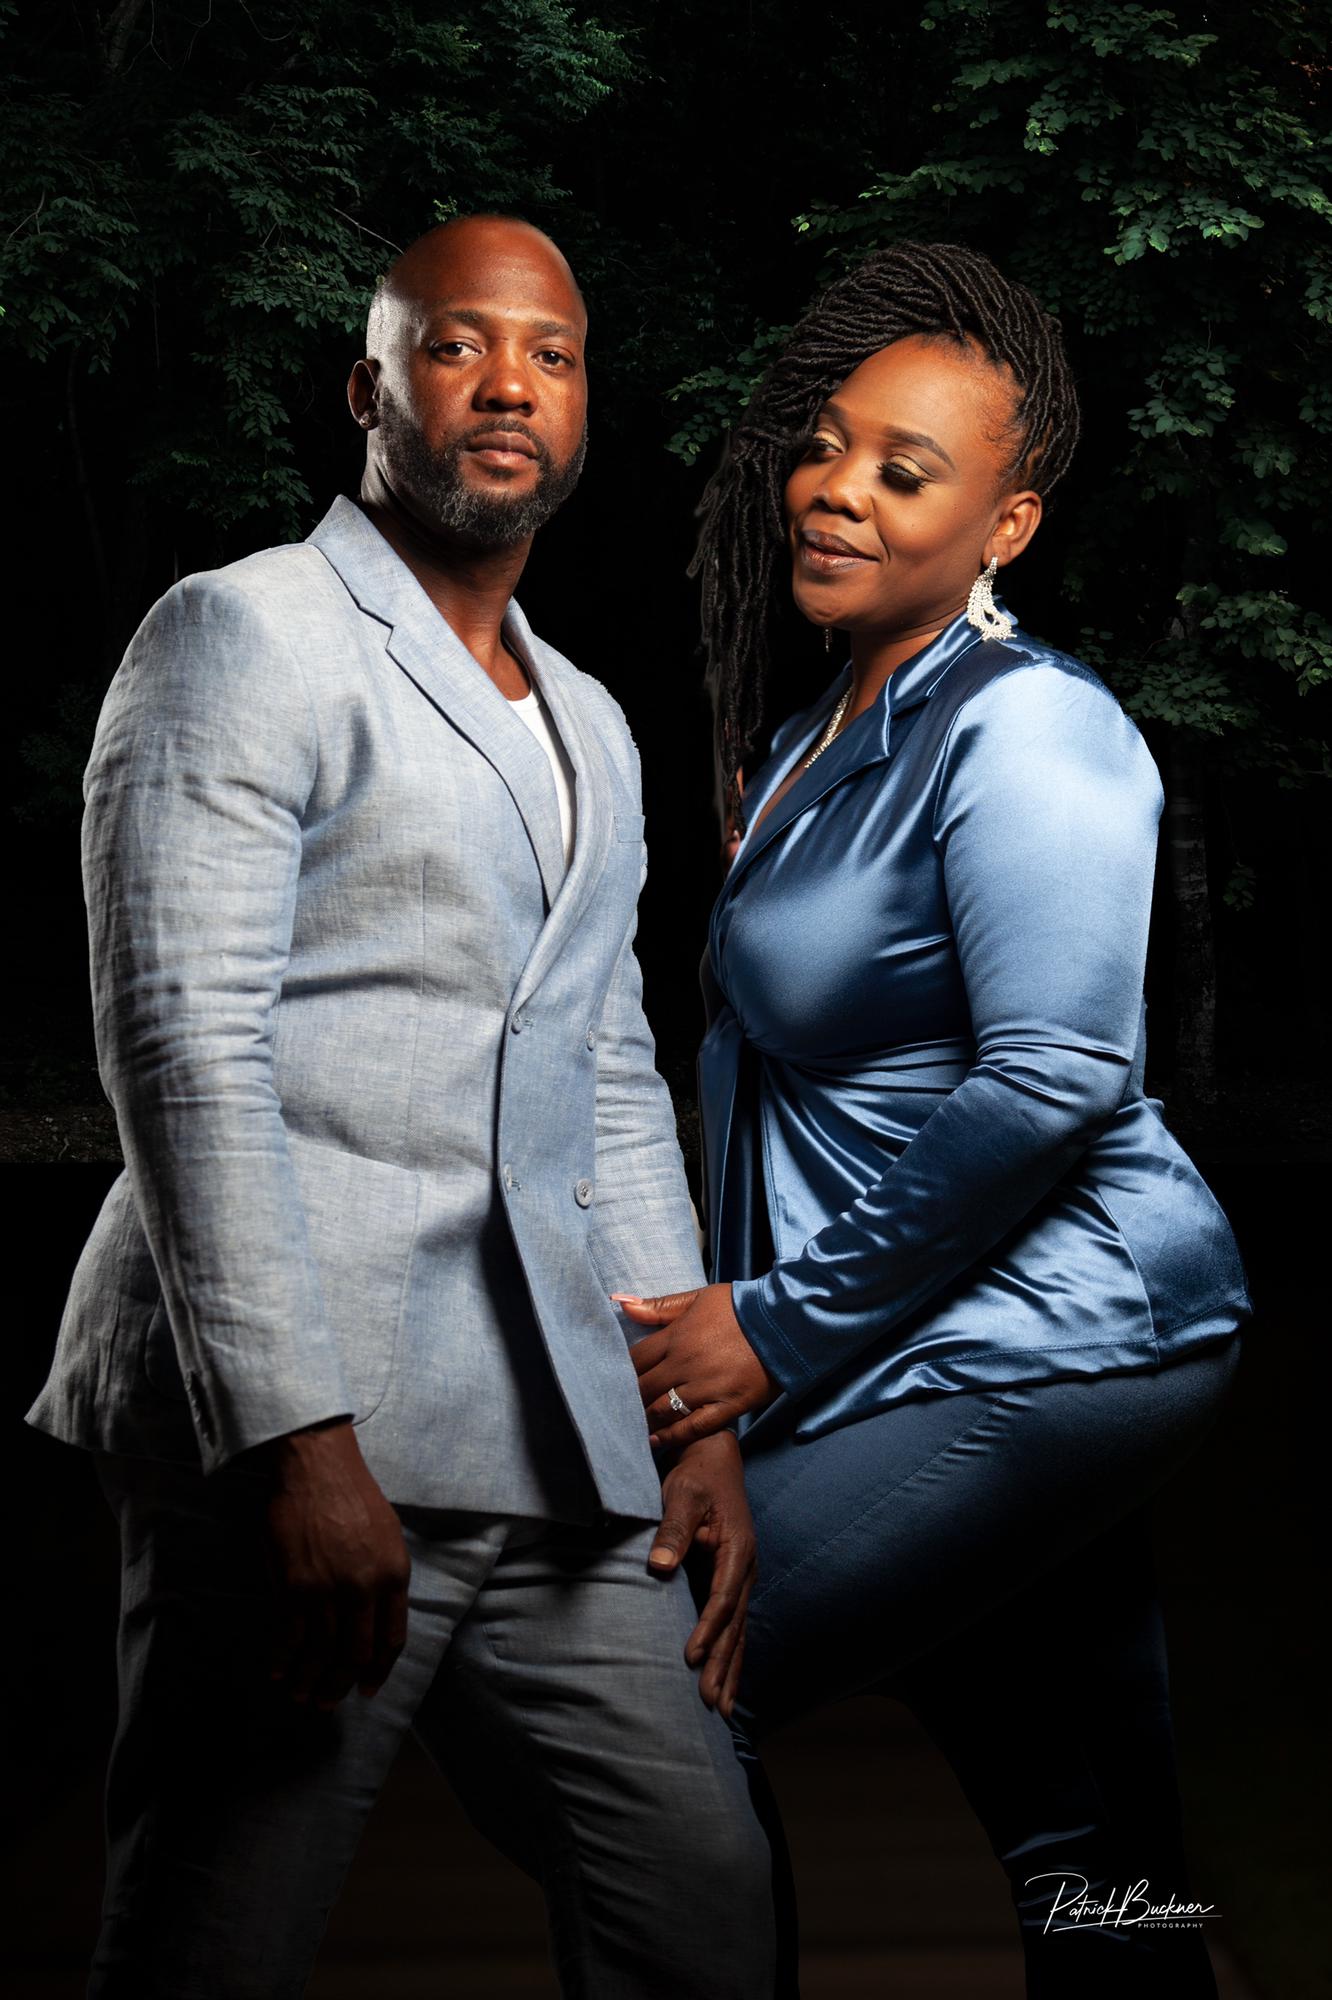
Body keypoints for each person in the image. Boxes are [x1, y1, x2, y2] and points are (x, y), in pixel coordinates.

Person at [27, 214, 775, 1999]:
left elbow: (604, 1074)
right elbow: (183, 1050)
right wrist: (292, 1439)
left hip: (553, 1433)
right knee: (214, 1950)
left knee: (704, 1911)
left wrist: (687, 1421)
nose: (511, 384)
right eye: (458, 345)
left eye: (553, 354)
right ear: (369, 391)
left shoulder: (591, 721)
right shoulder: (242, 632)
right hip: (305, 1434)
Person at [617, 240, 1252, 1997]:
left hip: (1064, 1322)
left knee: (659, 1693)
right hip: (910, 1324)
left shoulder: (1033, 730)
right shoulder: (818, 735)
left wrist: (773, 1328)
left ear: (1006, 527)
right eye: (828, 446)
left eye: (906, 472)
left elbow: (1055, 1077)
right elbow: (763, 1070)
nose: (836, 489)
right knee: (1092, 1843)